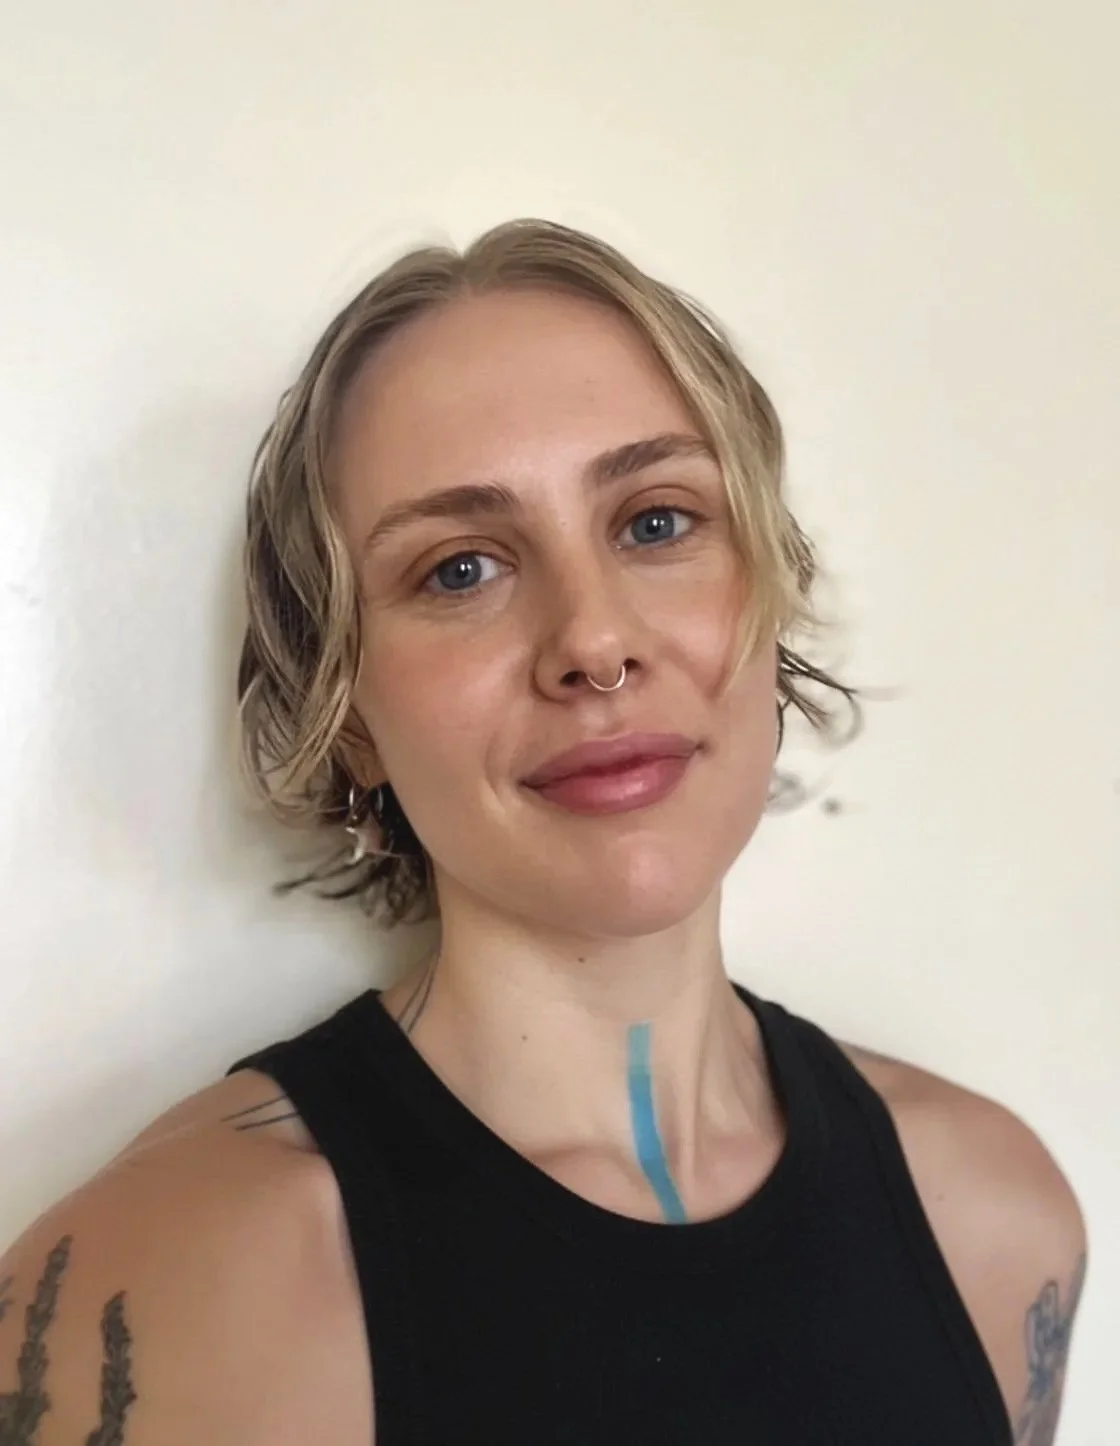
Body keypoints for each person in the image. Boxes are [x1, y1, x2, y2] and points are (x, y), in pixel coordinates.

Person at [0, 219, 1087, 1446]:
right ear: (345, 714)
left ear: (766, 592)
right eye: (460, 568)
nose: (594, 640)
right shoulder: (191, 1285)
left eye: (656, 522)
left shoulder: (994, 1218)